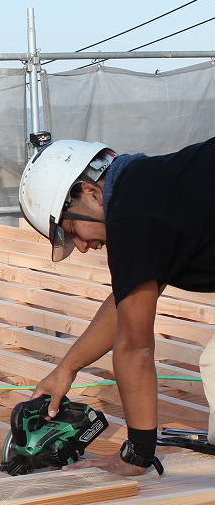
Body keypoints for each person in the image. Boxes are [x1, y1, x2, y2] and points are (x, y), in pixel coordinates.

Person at [19, 138, 215, 480]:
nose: (81, 247)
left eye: (72, 230)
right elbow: (125, 304)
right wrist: (66, 369)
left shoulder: (130, 216)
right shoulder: (147, 187)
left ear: (91, 192)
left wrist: (136, 454)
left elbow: (135, 347)